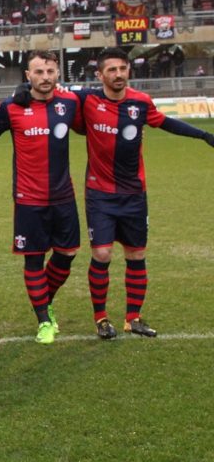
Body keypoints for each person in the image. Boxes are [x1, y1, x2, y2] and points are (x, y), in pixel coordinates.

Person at [75, 47, 214, 339]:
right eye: (111, 70)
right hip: (100, 193)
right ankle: (101, 318)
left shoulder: (140, 102)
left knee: (136, 254)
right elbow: (52, 98)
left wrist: (203, 135)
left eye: (122, 68)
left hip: (134, 194)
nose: (118, 74)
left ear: (129, 70)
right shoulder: (86, 99)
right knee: (102, 253)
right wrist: (23, 92)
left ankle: (133, 318)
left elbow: (166, 122)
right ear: (99, 74)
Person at [0, 51, 82, 344]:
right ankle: (44, 320)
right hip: (28, 199)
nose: (45, 77)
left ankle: (44, 300)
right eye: (38, 72)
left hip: (63, 196)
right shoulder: (13, 107)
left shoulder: (70, 102)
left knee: (67, 254)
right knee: (34, 259)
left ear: (58, 73)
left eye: (50, 71)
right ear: (28, 76)